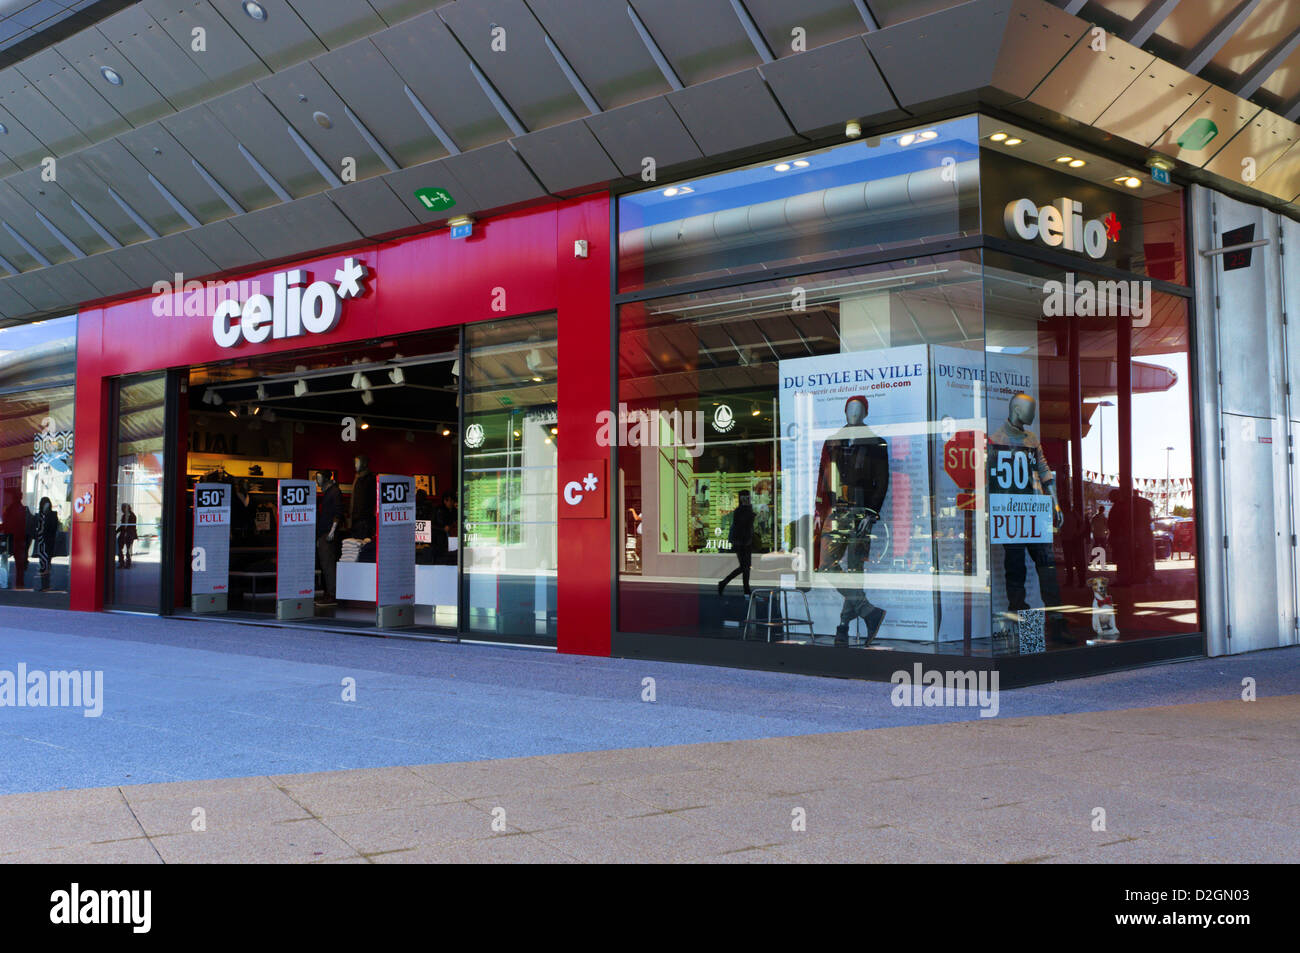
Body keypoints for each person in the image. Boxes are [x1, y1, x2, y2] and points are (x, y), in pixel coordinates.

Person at [814, 395, 889, 645]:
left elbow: (882, 482)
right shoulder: (832, 442)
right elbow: (823, 479)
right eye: (850, 410)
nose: (854, 414)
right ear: (844, 412)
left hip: (860, 512)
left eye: (858, 410)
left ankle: (843, 625)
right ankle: (869, 612)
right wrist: (820, 512)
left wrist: (871, 513)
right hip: (836, 512)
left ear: (865, 413)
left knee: (855, 570)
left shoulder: (876, 443)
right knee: (826, 564)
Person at [717, 490, 755, 596]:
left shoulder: (746, 509)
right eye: (745, 498)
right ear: (741, 499)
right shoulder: (740, 511)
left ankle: (746, 590)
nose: (747, 500)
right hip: (741, 543)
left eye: (748, 497)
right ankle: (724, 582)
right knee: (744, 567)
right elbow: (742, 526)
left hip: (746, 542)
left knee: (746, 567)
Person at [315, 470, 342, 605]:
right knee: (325, 565)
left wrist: (332, 531)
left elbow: (338, 512)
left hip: (328, 533)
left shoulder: (334, 492)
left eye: (319, 478)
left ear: (326, 478)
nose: (317, 481)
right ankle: (329, 593)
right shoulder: (328, 492)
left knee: (328, 565)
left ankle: (332, 594)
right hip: (324, 533)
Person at [348, 455, 377, 541]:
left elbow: (372, 500)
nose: (355, 465)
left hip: (364, 520)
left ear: (364, 464)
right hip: (356, 519)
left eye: (358, 463)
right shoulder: (357, 478)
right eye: (355, 463)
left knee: (362, 547)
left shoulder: (370, 479)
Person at [2, 494, 28, 589]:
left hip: (12, 539)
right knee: (19, 563)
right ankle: (19, 583)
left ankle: (6, 582)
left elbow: (6, 524)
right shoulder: (22, 509)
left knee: (5, 560)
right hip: (19, 539)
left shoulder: (11, 509)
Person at [32, 497, 58, 591]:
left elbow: (53, 529)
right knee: (44, 563)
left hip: (46, 543)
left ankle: (45, 585)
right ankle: (45, 585)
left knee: (46, 563)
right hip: (42, 544)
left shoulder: (51, 515)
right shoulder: (39, 516)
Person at [115, 504, 138, 568]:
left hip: (129, 534)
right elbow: (122, 525)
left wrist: (119, 532)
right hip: (123, 534)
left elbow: (131, 526)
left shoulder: (132, 516)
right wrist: (116, 532)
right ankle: (121, 563)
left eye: (123, 508)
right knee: (120, 548)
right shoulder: (124, 516)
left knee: (128, 549)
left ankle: (128, 563)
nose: (121, 510)